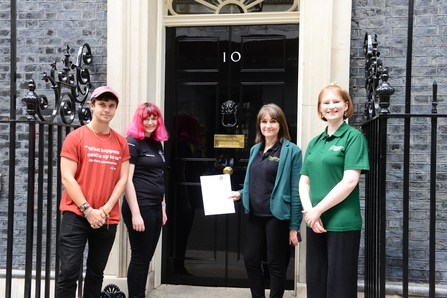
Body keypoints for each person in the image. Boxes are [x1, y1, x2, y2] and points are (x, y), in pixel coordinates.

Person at [57, 86, 130, 298]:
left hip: (107, 218)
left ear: (115, 108)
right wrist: (88, 210)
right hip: (76, 215)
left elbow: (123, 179)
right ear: (92, 105)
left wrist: (105, 210)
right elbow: (67, 177)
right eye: (102, 105)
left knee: (96, 273)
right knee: (69, 272)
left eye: (111, 106)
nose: (106, 110)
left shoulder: (121, 142)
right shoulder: (76, 137)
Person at [299, 84, 370, 298]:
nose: (331, 106)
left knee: (339, 286)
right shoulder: (314, 142)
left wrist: (317, 211)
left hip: (342, 222)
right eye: (326, 103)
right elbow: (304, 182)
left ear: (346, 105)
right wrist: (311, 214)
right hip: (315, 221)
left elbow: (349, 182)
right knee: (317, 280)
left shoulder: (353, 138)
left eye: (336, 101)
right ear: (320, 109)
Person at [229, 103, 303, 298]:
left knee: (275, 263)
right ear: (259, 125)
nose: (268, 125)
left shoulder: (291, 151)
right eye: (264, 121)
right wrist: (241, 194)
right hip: (255, 214)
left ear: (281, 124)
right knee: (251, 259)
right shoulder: (255, 149)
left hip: (276, 216)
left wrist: (294, 226)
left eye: (273, 121)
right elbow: (254, 182)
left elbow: (296, 191)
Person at [122, 102, 169, 298]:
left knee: (146, 257)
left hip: (155, 208)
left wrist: (163, 207)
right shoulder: (132, 142)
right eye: (146, 118)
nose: (150, 122)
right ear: (139, 120)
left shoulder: (156, 143)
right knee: (140, 258)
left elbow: (159, 176)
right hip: (140, 207)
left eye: (154, 118)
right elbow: (126, 181)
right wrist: (135, 213)